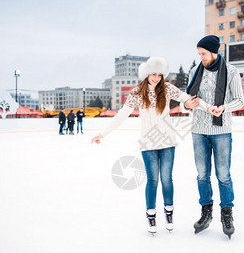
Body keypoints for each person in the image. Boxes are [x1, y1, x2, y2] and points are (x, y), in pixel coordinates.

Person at [92, 57, 214, 235]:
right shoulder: (136, 93)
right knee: (152, 180)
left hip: (167, 142)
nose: (156, 78)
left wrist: (209, 108)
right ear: (146, 74)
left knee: (166, 179)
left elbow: (189, 99)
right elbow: (122, 115)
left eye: (159, 74)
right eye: (153, 74)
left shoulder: (167, 89)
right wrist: (103, 133)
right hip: (148, 143)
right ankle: (151, 215)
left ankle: (169, 213)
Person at [184, 35, 244, 239]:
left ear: (213, 52)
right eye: (199, 53)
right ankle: (206, 212)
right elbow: (187, 99)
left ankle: (227, 214)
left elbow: (239, 101)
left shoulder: (231, 72)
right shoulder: (195, 71)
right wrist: (186, 104)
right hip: (199, 130)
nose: (200, 57)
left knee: (223, 175)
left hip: (221, 131)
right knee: (202, 175)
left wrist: (224, 108)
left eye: (203, 53)